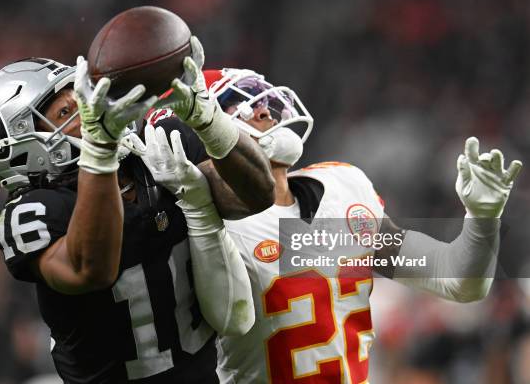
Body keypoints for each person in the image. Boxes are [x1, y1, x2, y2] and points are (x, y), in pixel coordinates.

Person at [0, 37, 274, 383]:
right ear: (23, 148)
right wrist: (100, 150)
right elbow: (90, 270)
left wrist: (208, 119)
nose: (89, 112)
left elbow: (256, 196)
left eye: (79, 96)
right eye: (65, 113)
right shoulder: (34, 211)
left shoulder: (155, 148)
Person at [188, 68, 523, 383]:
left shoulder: (342, 189)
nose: (266, 112)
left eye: (263, 102)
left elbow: (459, 281)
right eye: (240, 108)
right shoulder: (209, 228)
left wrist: (482, 217)